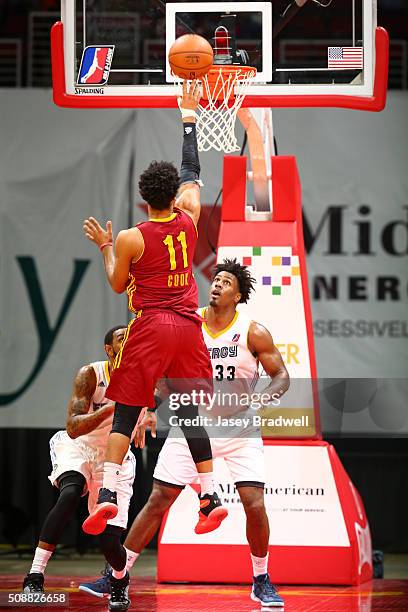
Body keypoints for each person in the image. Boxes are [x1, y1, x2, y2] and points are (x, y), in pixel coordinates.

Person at [80, 259, 288, 608]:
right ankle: (117, 575)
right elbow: (165, 375)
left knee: (254, 504)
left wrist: (259, 398)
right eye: (216, 279)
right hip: (192, 426)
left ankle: (261, 579)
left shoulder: (253, 331)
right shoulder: (190, 323)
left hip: (240, 429)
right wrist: (148, 409)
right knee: (157, 501)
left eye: (226, 282)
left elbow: (281, 375)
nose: (217, 285)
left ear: (238, 295)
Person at [82, 80, 226, 548]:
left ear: (144, 196)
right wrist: (189, 116)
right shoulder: (189, 213)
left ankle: (105, 490)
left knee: (126, 412)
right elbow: (192, 168)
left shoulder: (130, 236)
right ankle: (209, 496)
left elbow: (116, 282)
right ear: (174, 194)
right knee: (187, 412)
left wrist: (105, 247)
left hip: (152, 326)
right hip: (188, 326)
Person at [22, 326, 138, 605]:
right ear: (109, 350)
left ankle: (119, 579)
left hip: (116, 458)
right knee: (71, 492)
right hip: (80, 447)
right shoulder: (91, 374)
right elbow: (73, 428)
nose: (130, 341)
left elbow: (173, 391)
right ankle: (34, 576)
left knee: (110, 540)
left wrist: (152, 415)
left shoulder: (144, 375)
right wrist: (112, 408)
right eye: (123, 338)